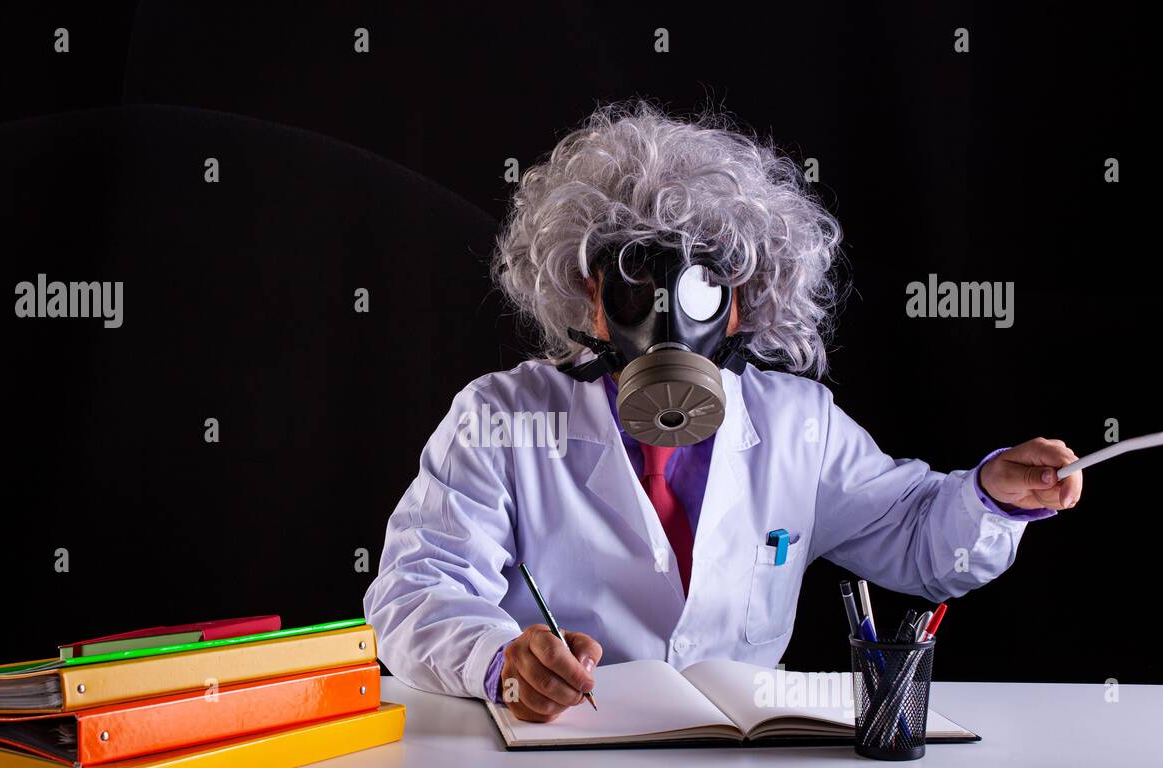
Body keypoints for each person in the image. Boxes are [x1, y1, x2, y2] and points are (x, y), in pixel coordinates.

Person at [364, 101, 1082, 723]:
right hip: (554, 756)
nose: (669, 316)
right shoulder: (502, 416)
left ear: (746, 295)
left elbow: (922, 541)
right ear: (590, 296)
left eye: (703, 283)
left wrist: (993, 498)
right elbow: (414, 593)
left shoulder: (801, 425)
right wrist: (503, 661)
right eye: (635, 283)